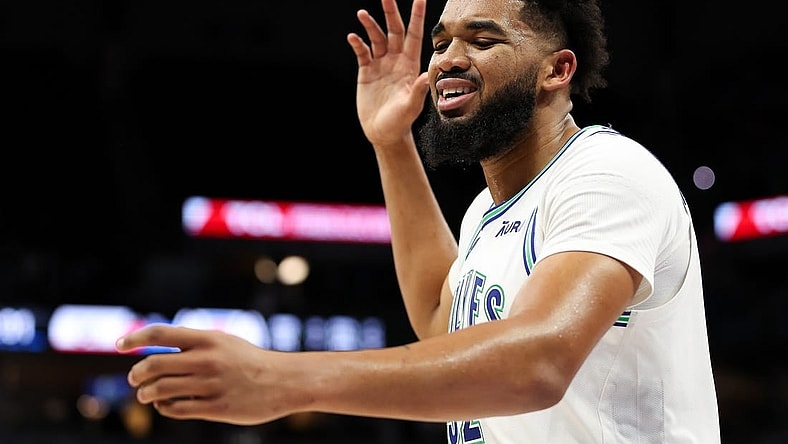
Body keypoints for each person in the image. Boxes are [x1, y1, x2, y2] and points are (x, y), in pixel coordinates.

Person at [116, 0, 721, 442]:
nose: (447, 62)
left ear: (556, 70)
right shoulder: (488, 210)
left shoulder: (607, 172)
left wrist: (287, 378)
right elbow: (442, 323)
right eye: (440, 43)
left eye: (481, 41)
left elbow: (537, 363)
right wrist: (391, 143)